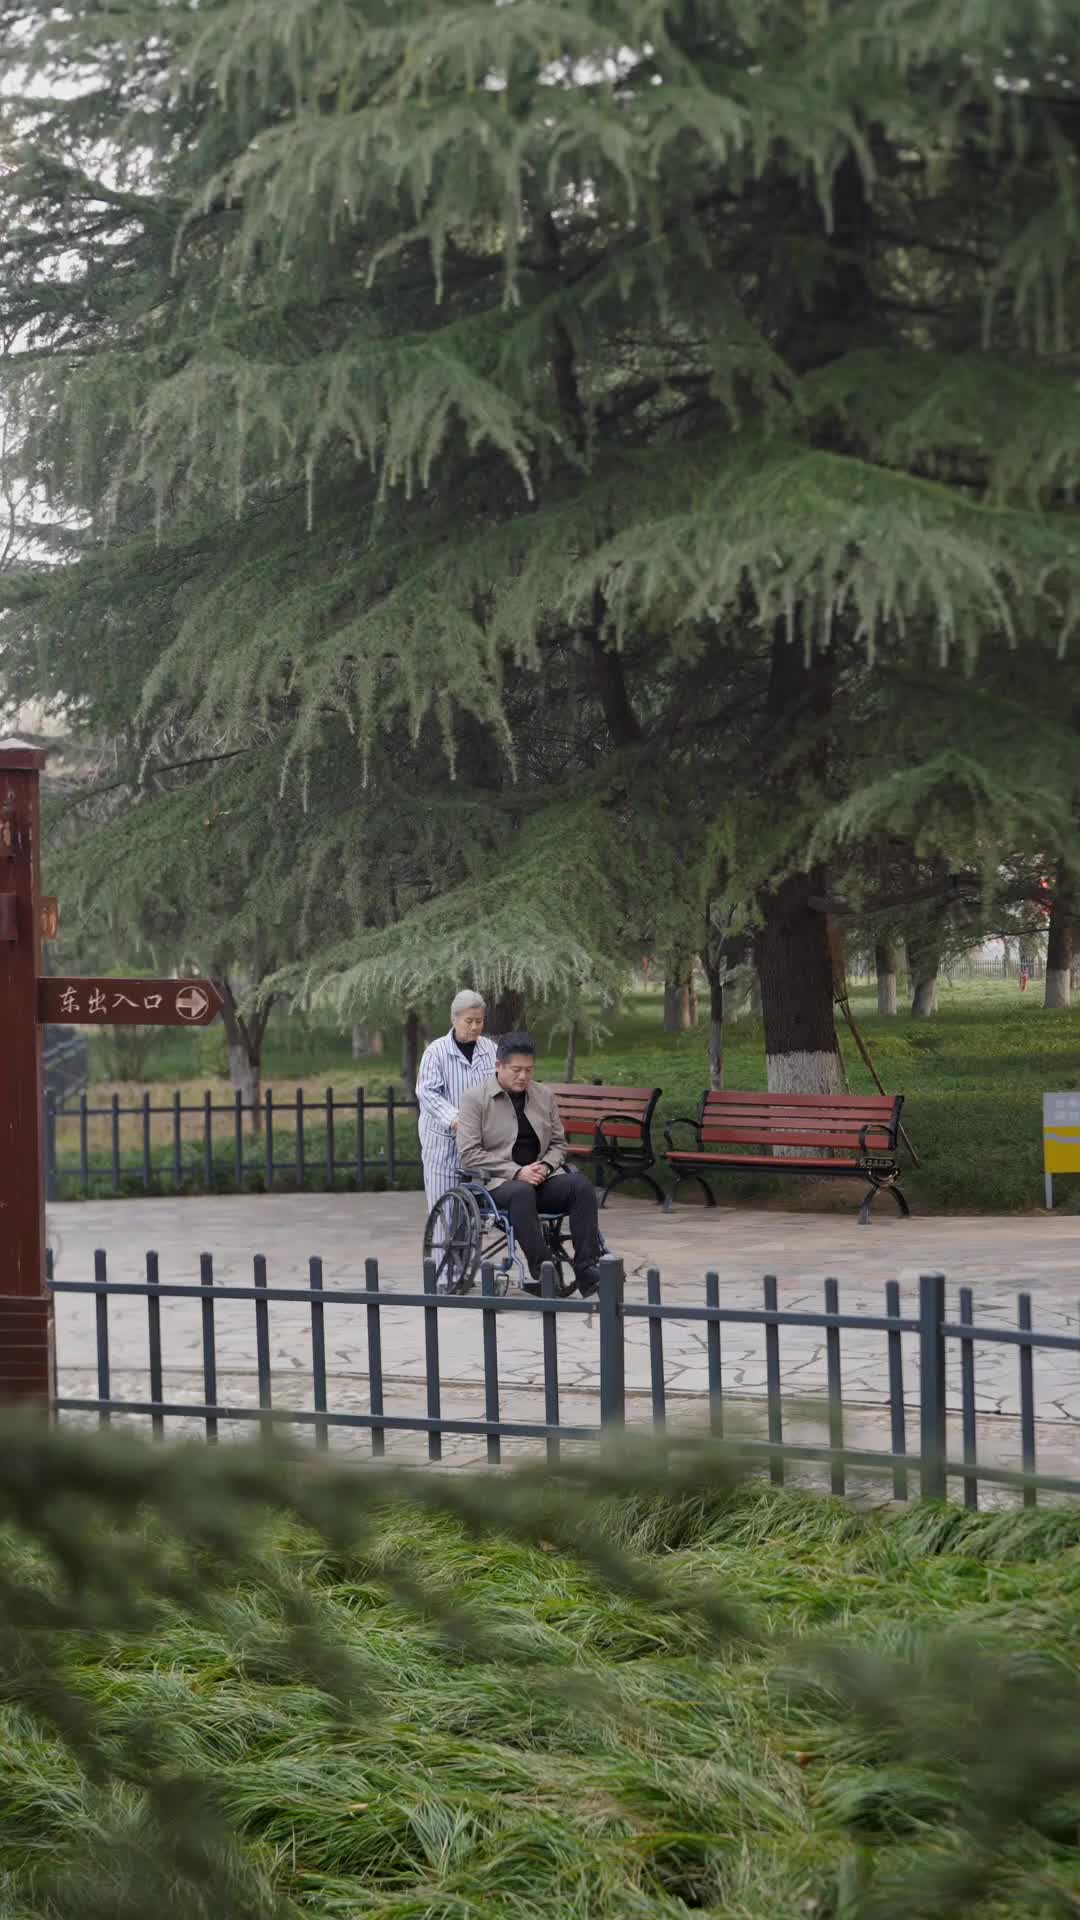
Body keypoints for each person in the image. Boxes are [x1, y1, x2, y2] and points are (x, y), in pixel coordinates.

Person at [456, 1032, 606, 1297]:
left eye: (529, 1070)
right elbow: (469, 1153)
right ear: (499, 1065)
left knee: (581, 1186)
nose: (523, 1076)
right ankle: (543, 1270)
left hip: (541, 1178)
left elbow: (559, 1144)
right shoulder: (475, 1099)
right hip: (496, 1184)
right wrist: (517, 1172)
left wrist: (546, 1167)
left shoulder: (543, 1096)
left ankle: (587, 1269)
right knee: (521, 1191)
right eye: (516, 1070)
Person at [416, 991, 498, 1226]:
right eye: (468, 1021)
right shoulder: (436, 1052)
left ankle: (469, 1252)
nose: (474, 1027)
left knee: (473, 1219)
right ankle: (440, 1252)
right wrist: (455, 1119)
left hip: (479, 1145)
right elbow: (427, 1092)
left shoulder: (491, 1050)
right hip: (444, 1146)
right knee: (444, 1215)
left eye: (479, 1021)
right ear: (454, 1019)